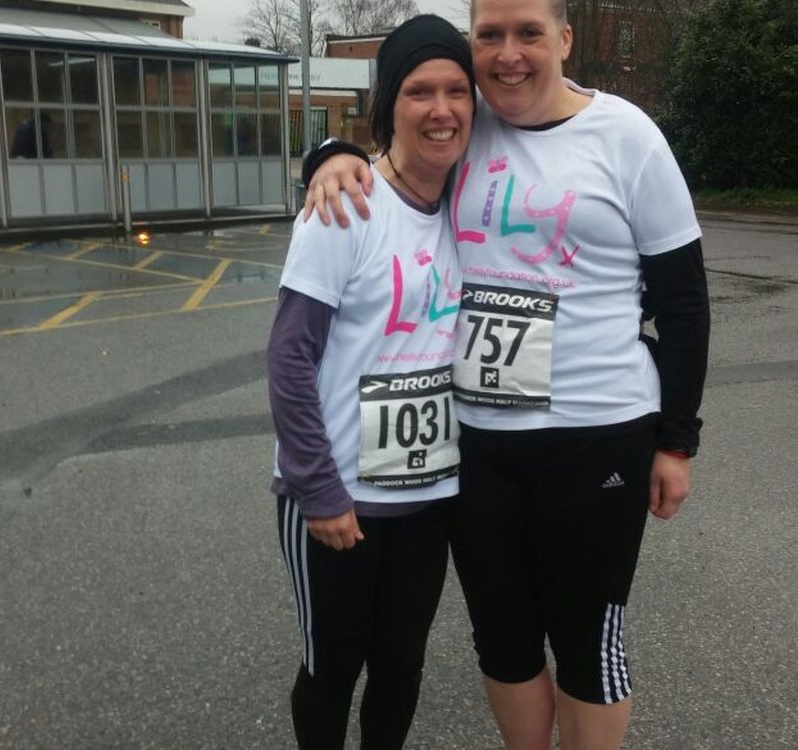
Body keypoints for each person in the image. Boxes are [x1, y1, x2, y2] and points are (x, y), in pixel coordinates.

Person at [300, 1, 711, 748]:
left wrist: (677, 441)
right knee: (505, 640)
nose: (509, 54)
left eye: (528, 33)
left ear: (564, 39)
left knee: (587, 644)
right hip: (481, 444)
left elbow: (683, 302)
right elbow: (396, 138)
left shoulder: (627, 137)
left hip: (599, 434)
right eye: (490, 36)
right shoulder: (471, 125)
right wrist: (326, 154)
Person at [267, 14, 476, 750]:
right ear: (389, 104)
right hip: (339, 501)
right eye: (420, 90)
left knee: (402, 667)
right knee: (333, 670)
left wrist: (327, 149)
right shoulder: (344, 207)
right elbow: (289, 359)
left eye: (457, 90)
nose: (441, 108)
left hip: (429, 498)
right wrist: (319, 489)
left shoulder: (467, 203)